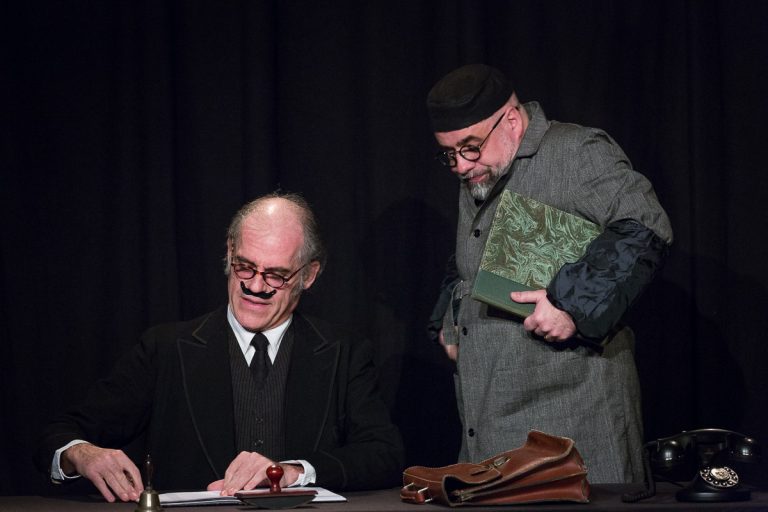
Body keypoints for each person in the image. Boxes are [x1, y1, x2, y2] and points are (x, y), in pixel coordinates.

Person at [35, 192, 404, 501]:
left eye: (276, 275)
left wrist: (294, 472)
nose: (255, 287)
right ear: (229, 252)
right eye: (244, 266)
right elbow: (59, 434)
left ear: (309, 275)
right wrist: (80, 453)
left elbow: (383, 455)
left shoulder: (344, 352)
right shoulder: (165, 350)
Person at [426, 64, 673, 483]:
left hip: (572, 422)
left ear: (511, 120)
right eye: (449, 154)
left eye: (470, 147)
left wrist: (571, 304)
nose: (462, 166)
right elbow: (472, 256)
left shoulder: (576, 151)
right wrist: (448, 322)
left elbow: (646, 224)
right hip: (490, 421)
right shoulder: (483, 169)